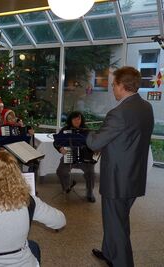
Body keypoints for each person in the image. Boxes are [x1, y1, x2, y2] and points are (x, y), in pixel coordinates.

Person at [86, 66, 154, 267]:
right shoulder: (146, 107)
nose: (112, 89)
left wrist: (88, 133)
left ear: (122, 86)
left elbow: (94, 143)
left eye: (113, 85)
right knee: (117, 219)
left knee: (117, 225)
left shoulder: (119, 112)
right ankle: (109, 252)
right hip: (134, 176)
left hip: (117, 180)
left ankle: (122, 262)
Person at [53, 111, 96, 202]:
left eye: (79, 119)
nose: (77, 121)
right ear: (70, 120)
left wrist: (95, 149)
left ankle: (90, 192)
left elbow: (94, 143)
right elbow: (56, 142)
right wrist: (60, 148)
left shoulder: (87, 131)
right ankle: (67, 186)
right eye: (74, 119)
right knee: (61, 171)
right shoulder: (65, 129)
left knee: (90, 172)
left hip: (85, 157)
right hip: (69, 154)